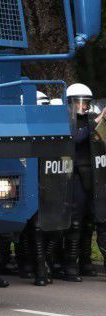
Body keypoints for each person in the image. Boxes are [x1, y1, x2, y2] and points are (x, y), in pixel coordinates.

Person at [63, 83, 97, 282]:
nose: (84, 106)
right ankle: (70, 266)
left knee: (89, 220)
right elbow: (75, 138)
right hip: (74, 176)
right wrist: (95, 125)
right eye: (79, 102)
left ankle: (85, 262)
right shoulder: (68, 121)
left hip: (91, 177)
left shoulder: (90, 120)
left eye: (86, 102)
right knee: (75, 222)